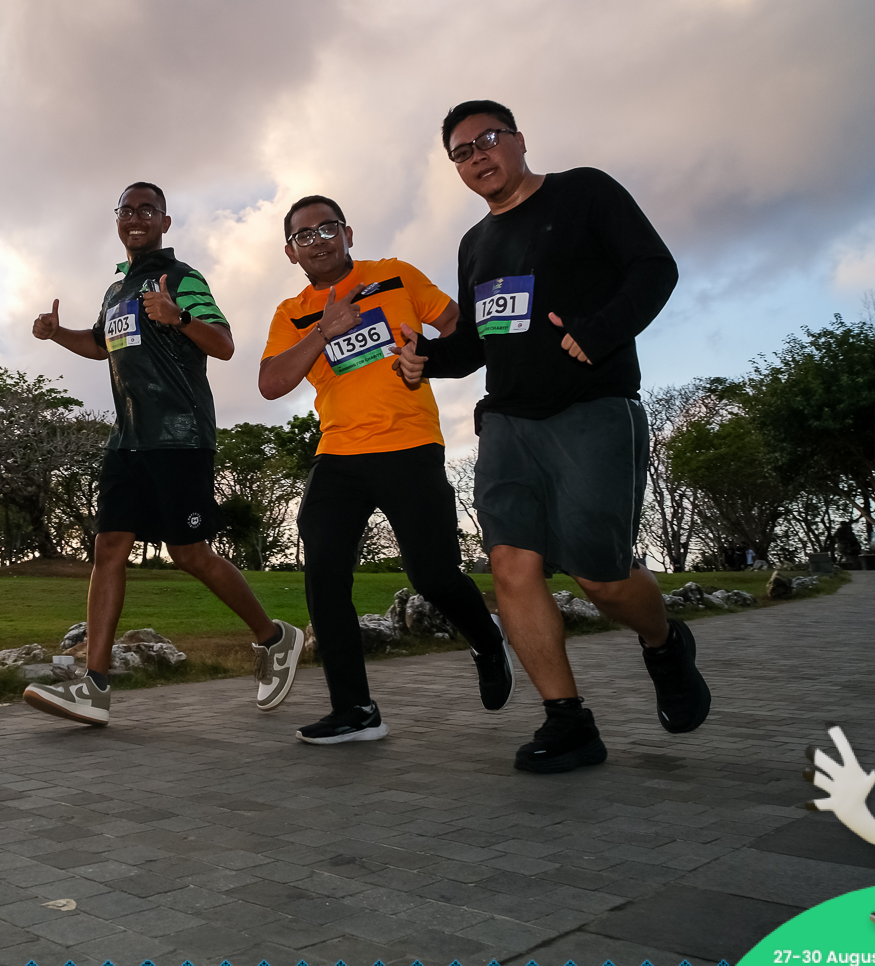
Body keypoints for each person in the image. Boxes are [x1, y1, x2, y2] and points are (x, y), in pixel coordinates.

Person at [394, 100, 710, 773]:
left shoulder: (585, 192)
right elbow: (478, 341)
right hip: (508, 421)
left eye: (487, 139)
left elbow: (655, 268)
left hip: (591, 407)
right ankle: (568, 721)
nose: (477, 156)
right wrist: (426, 357)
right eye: (461, 152)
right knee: (511, 565)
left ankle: (663, 643)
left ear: (518, 140)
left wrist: (600, 330)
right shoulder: (474, 244)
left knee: (602, 578)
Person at [25, 182, 303, 726]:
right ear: (117, 220)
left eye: (147, 210)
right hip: (126, 441)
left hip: (180, 437)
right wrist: (58, 334)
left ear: (165, 222)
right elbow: (100, 346)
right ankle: (94, 688)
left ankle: (273, 637)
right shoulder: (115, 292)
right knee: (109, 548)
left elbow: (224, 344)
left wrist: (178, 317)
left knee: (190, 554)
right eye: (126, 210)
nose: (135, 218)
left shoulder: (182, 278)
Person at [258, 195, 514, 744]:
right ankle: (355, 710)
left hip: (410, 444)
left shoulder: (395, 275)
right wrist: (323, 331)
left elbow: (459, 326)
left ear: (348, 233)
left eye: (328, 228)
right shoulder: (291, 312)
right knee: (324, 577)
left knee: (433, 576)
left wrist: (428, 357)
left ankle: (487, 638)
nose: (319, 240)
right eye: (304, 235)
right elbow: (271, 383)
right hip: (338, 454)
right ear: (291, 252)